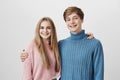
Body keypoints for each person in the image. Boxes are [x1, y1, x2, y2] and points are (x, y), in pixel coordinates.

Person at [21, 7, 96, 80]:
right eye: (42, 27)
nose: (45, 30)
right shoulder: (32, 46)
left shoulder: (57, 46)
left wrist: (84, 37)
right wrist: (24, 55)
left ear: (52, 30)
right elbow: (26, 76)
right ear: (38, 29)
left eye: (48, 28)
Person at [58, 6, 104, 80]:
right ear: (66, 22)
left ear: (82, 19)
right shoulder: (60, 44)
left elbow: (99, 74)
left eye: (75, 18)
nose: (72, 22)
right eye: (68, 19)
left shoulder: (95, 44)